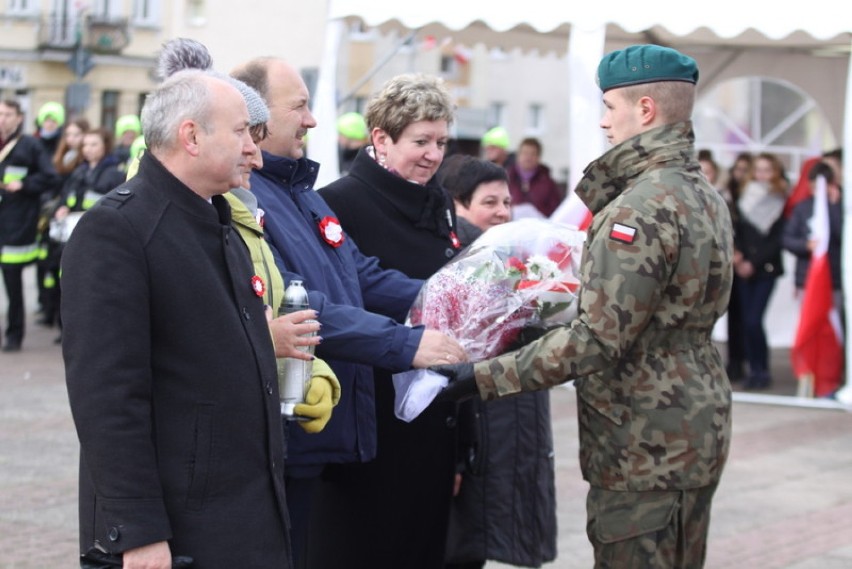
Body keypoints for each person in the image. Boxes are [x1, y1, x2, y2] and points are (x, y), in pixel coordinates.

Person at [433, 44, 734, 568]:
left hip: (643, 440)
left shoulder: (640, 206)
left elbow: (599, 338)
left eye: (610, 107)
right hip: (692, 424)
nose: (602, 123)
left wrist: (480, 377)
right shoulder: (701, 193)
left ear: (644, 111)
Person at [231, 57, 465, 564]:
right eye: (300, 107)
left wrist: (456, 298)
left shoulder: (300, 195)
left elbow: (361, 275)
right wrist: (406, 343)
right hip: (289, 425)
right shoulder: (247, 199)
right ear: (256, 115)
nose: (313, 120)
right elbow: (295, 303)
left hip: (324, 426)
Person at [61, 69, 293, 569]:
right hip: (177, 531)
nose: (253, 149)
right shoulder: (118, 230)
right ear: (191, 136)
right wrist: (138, 532)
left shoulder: (220, 223)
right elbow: (107, 398)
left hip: (240, 518)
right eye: (239, 132)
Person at [305, 73, 463, 568]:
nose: (434, 155)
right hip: (369, 420)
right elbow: (348, 295)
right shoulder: (339, 202)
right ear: (380, 138)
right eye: (421, 141)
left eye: (440, 142)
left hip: (435, 413)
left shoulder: (438, 203)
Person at [438, 153, 557, 569]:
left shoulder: (517, 259)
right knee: (466, 545)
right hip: (482, 438)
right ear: (456, 204)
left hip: (515, 431)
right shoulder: (455, 267)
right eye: (490, 202)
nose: (503, 212)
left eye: (506, 202)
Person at [0, 99, 60, 352]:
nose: (2, 118)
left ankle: (15, 335)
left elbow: (50, 177)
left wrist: (24, 185)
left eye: (7, 114)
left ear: (19, 118)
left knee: (12, 283)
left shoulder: (29, 145)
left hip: (16, 223)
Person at [734, 152, 788, 390]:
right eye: (758, 169)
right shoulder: (743, 198)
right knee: (746, 321)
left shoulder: (780, 200)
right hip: (743, 267)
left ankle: (762, 369)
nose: (762, 174)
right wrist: (738, 257)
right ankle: (752, 370)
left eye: (767, 169)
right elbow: (738, 231)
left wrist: (752, 262)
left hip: (765, 269)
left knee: (755, 320)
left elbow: (776, 241)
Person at [783, 161, 843, 308]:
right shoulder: (802, 208)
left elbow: (842, 235)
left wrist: (834, 207)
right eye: (814, 187)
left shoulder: (840, 207)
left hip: (834, 279)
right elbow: (787, 239)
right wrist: (806, 245)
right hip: (807, 277)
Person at [721, 151, 753, 381]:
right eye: (738, 169)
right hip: (733, 261)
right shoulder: (728, 197)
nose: (740, 174)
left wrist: (747, 257)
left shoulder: (755, 199)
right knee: (734, 318)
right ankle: (735, 364)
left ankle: (752, 363)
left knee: (750, 319)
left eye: (745, 170)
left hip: (753, 264)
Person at [507, 137, 563, 218]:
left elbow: (556, 213)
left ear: (539, 157)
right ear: (518, 155)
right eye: (525, 153)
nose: (528, 157)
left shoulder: (549, 184)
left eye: (533, 154)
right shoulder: (506, 181)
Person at [337, 111, 369, 175]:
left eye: (340, 133)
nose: (338, 138)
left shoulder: (363, 164)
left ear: (350, 135)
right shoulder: (345, 154)